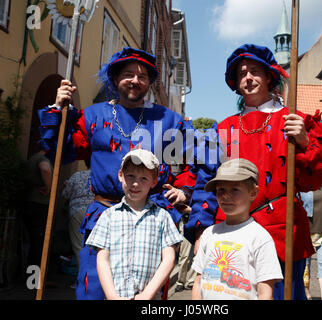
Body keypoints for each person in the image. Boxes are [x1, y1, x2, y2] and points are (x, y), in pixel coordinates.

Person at [39, 47, 206, 299]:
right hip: (103, 216)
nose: (135, 80)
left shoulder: (168, 120)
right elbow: (61, 151)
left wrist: (184, 190)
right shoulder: (92, 116)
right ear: (115, 78)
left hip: (150, 220)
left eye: (142, 76)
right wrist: (58, 108)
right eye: (128, 74)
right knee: (94, 289)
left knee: (144, 294)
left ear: (149, 82)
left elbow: (200, 155)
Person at [186, 44, 322, 300]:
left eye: (255, 71)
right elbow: (206, 181)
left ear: (268, 77)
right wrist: (201, 230)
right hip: (229, 232)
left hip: (282, 231)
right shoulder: (223, 128)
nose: (248, 78)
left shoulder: (293, 120)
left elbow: (316, 180)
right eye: (242, 73)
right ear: (235, 82)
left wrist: (304, 142)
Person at [85, 149, 182, 300]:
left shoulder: (162, 217)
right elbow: (102, 258)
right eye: (130, 176)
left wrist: (147, 294)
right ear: (120, 175)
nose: (136, 183)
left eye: (144, 178)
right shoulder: (108, 216)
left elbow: (169, 258)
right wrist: (111, 295)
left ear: (154, 181)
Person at [191, 158, 283, 300]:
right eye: (221, 189)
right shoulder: (209, 233)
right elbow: (198, 282)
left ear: (252, 193)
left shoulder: (260, 238)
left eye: (235, 190)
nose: (226, 196)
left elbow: (265, 292)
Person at [22, 147, 53, 267]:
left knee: (31, 239)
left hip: (29, 202)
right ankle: (34, 278)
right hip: (40, 203)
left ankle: (31, 275)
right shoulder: (42, 159)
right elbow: (46, 170)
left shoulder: (31, 159)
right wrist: (48, 188)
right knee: (39, 241)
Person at [62, 158, 94, 268]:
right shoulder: (100, 177)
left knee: (79, 247)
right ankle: (92, 279)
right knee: (94, 247)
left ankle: (83, 279)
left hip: (77, 212)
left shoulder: (77, 176)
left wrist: (65, 186)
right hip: (95, 212)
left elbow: (66, 194)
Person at [175, 205, 197, 293]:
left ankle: (191, 282)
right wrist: (196, 210)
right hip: (186, 224)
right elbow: (180, 206)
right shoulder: (187, 192)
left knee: (196, 256)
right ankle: (180, 282)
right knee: (183, 255)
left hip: (200, 225)